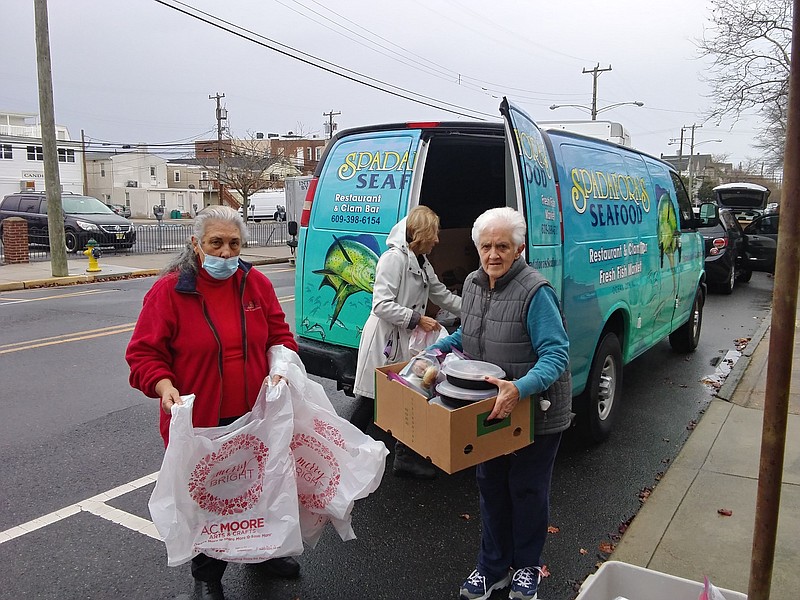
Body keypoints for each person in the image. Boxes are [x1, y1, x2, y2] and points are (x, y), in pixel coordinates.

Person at [125, 206, 300, 600]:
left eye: (234, 244)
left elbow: (280, 337)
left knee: (259, 488)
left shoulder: (255, 284)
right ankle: (207, 574)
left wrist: (281, 367)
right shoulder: (170, 291)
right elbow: (143, 355)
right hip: (201, 420)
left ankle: (263, 552)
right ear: (196, 244)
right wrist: (162, 385)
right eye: (215, 243)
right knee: (208, 499)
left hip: (255, 415)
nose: (225, 253)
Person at [429, 207, 571, 600]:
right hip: (489, 408)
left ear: (519, 249)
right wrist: (433, 353)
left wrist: (519, 388)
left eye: (503, 246)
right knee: (490, 486)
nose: (494, 254)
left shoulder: (535, 291)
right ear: (477, 248)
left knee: (526, 489)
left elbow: (556, 354)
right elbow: (465, 337)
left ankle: (526, 567)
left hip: (535, 409)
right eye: (487, 246)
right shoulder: (474, 284)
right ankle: (492, 567)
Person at [351, 205, 462, 478]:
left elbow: (442, 295)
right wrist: (417, 319)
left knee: (406, 396)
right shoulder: (394, 259)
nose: (437, 239)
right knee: (370, 399)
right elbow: (380, 305)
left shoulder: (421, 262)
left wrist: (476, 308)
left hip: (404, 339)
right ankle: (346, 450)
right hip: (385, 338)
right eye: (434, 233)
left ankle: (404, 458)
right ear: (422, 233)